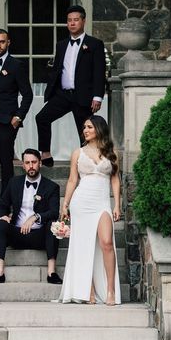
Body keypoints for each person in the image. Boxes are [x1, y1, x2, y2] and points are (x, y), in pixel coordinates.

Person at [60, 115, 121, 305]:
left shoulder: (112, 153)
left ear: (98, 129)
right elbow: (72, 180)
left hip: (101, 202)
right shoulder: (78, 153)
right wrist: (65, 203)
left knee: (106, 243)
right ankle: (89, 291)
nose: (85, 130)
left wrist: (117, 204)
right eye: (84, 127)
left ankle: (111, 291)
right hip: (81, 201)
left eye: (89, 127)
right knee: (84, 245)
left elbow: (114, 179)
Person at [36, 5, 106, 168]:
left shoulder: (94, 44)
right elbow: (58, 68)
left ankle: (88, 163)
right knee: (42, 117)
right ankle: (45, 153)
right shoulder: (61, 45)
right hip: (63, 94)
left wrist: (97, 96)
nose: (72, 23)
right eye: (69, 20)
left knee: (85, 132)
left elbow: (99, 71)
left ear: (83, 21)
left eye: (76, 20)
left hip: (84, 95)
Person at [0, 149, 62, 286]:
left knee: (53, 223)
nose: (31, 166)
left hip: (40, 236)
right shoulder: (14, 183)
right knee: (0, 223)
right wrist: (3, 216)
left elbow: (54, 212)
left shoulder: (51, 187)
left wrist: (35, 217)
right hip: (17, 233)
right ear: (23, 165)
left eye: (34, 162)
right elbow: (1, 206)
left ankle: (52, 272)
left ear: (40, 163)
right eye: (27, 163)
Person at [0, 28, 34, 193]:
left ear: (8, 43)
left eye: (2, 41)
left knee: (5, 161)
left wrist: (18, 117)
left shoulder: (17, 66)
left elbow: (28, 95)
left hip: (7, 120)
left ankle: (7, 199)